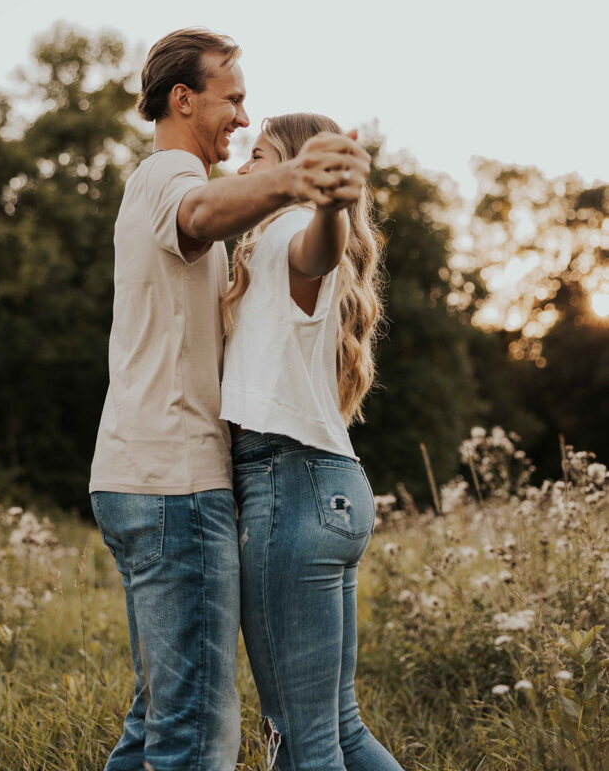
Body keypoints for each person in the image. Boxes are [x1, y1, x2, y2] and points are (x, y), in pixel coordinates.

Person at [88, 30, 372, 771]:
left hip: (149, 477)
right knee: (193, 737)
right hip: (174, 485)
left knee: (158, 720)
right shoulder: (169, 180)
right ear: (183, 99)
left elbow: (303, 251)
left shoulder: (232, 226)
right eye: (233, 98)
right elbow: (203, 214)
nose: (242, 119)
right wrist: (294, 180)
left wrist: (313, 203)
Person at [220, 113, 405, 771]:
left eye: (258, 154)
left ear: (293, 171)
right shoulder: (267, 250)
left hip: (287, 486)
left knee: (300, 742)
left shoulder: (286, 233)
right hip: (329, 489)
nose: (242, 168)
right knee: (340, 733)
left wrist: (326, 204)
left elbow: (315, 248)